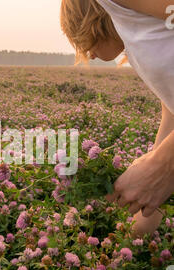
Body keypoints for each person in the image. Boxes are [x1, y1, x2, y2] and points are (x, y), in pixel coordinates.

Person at [60, 0, 174, 238]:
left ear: (90, 22)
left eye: (80, 40)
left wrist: (164, 162)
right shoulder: (137, 40)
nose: (87, 54)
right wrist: (132, 238)